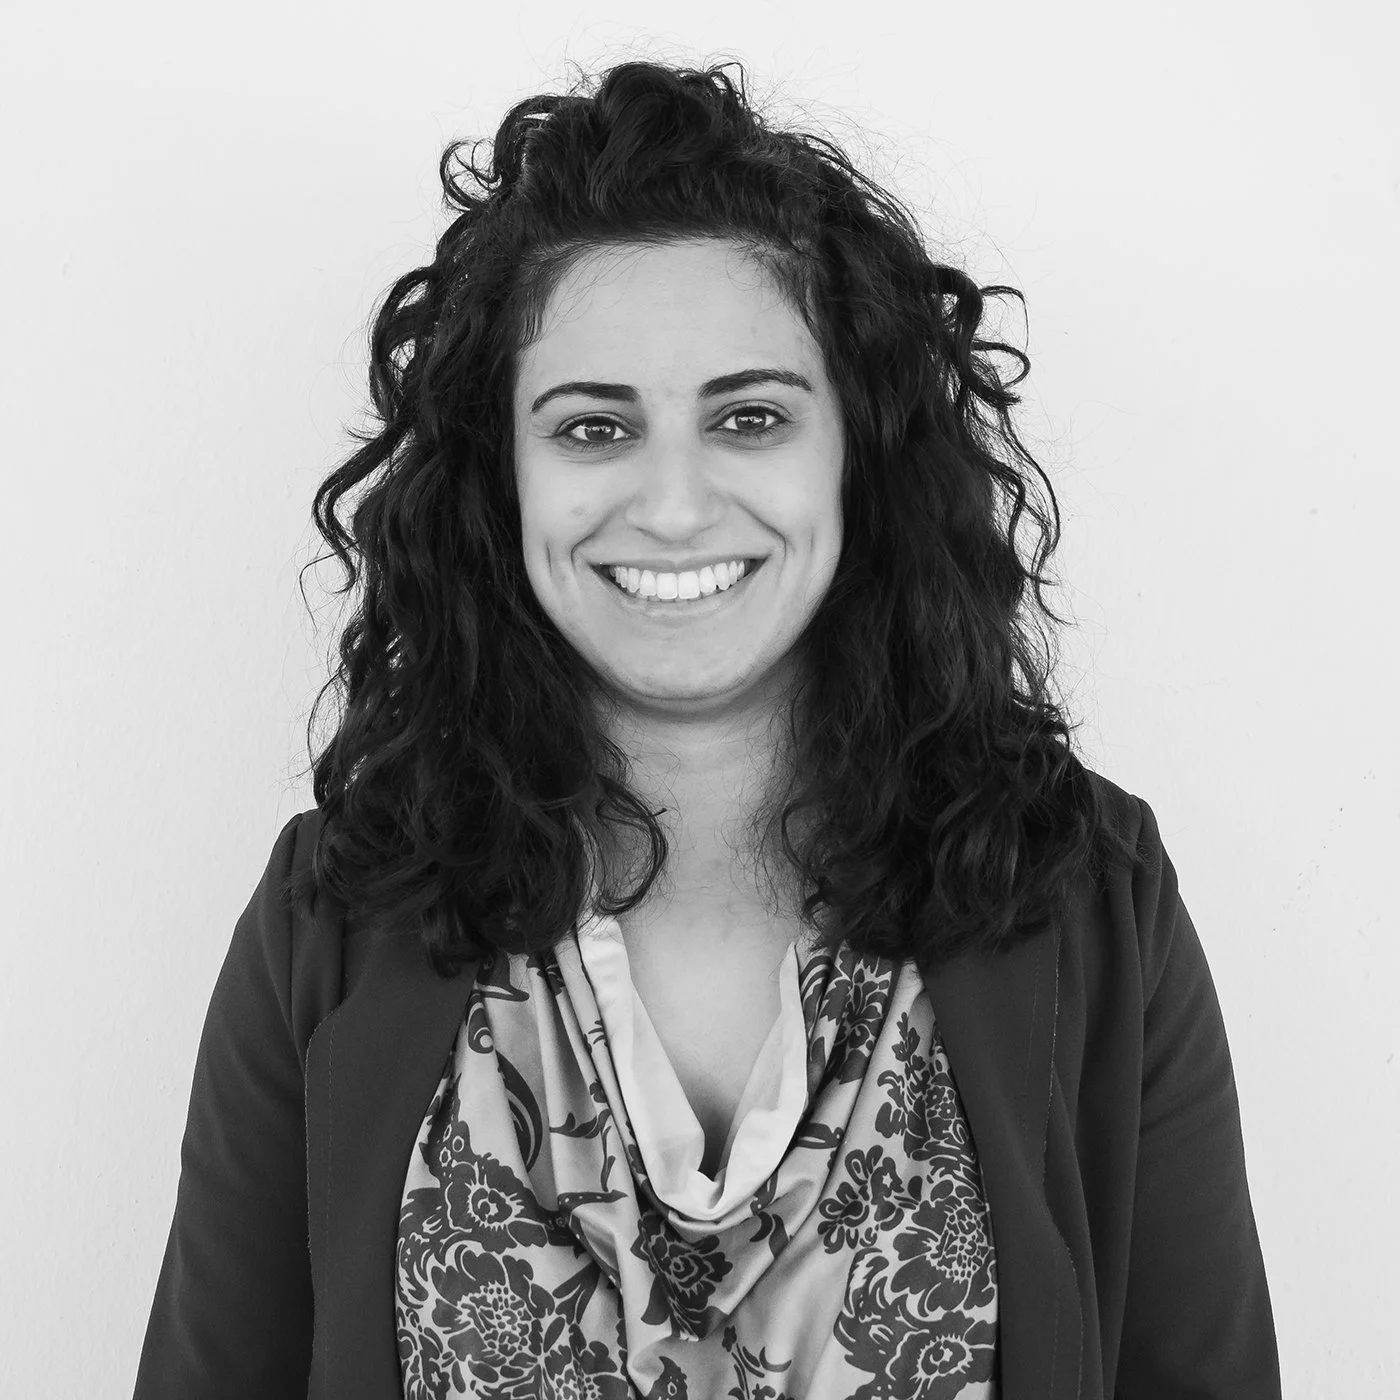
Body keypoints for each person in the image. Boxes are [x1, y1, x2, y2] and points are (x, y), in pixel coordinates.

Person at [133, 58, 1281, 1400]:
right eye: (593, 428)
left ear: (858, 451)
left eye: (749, 418)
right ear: (502, 479)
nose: (674, 506)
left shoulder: (1091, 898)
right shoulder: (332, 916)